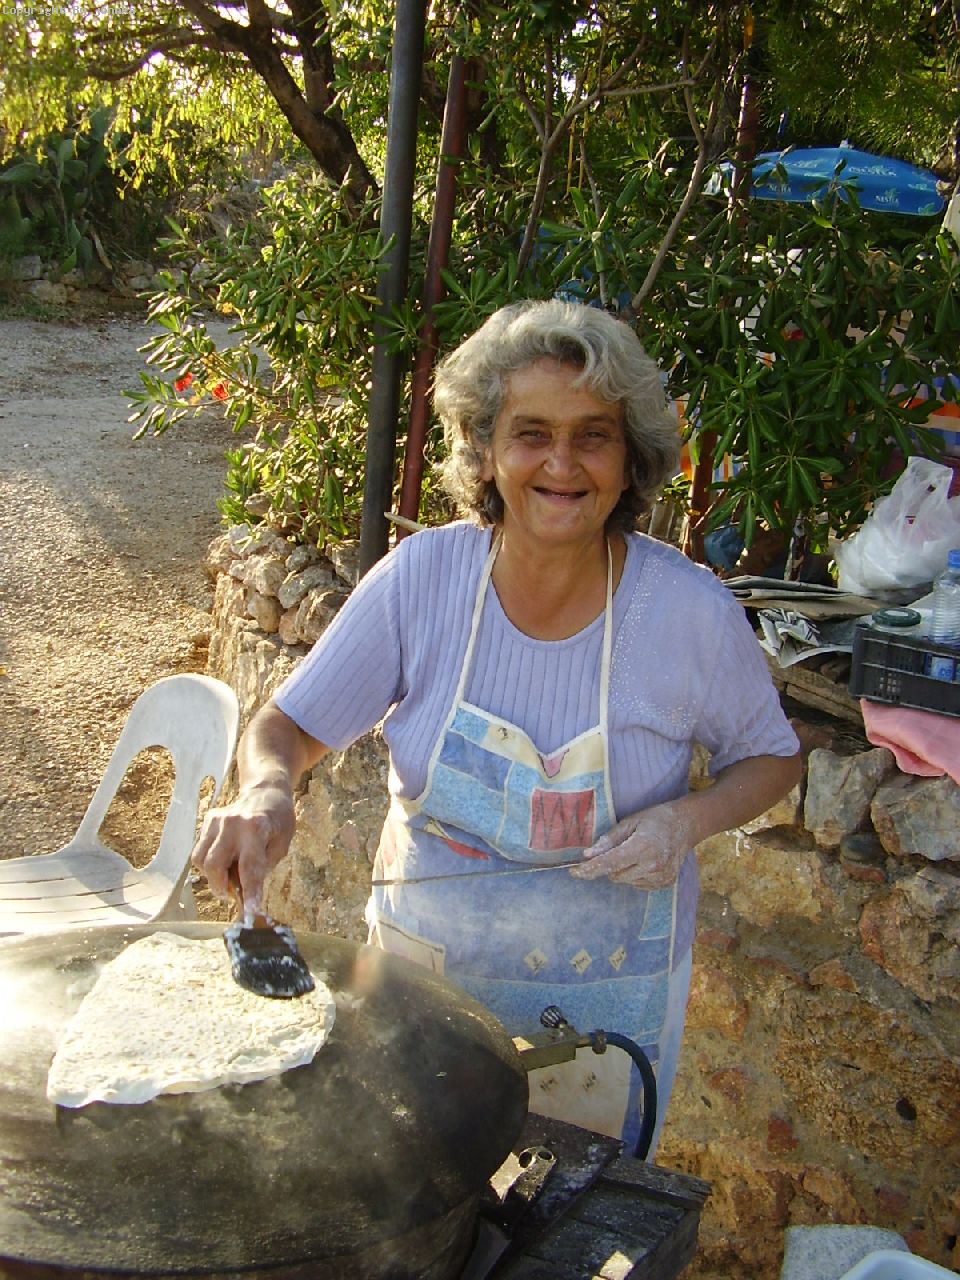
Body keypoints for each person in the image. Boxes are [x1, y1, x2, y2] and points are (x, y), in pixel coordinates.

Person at [192, 298, 802, 1154]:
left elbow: (772, 757)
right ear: (484, 450)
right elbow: (287, 725)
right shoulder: (423, 581)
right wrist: (265, 792)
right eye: (531, 433)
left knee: (569, 1213)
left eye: (593, 436)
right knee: (419, 1192)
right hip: (424, 995)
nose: (562, 463)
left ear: (631, 460)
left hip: (603, 1024)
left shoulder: (688, 613)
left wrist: (687, 820)